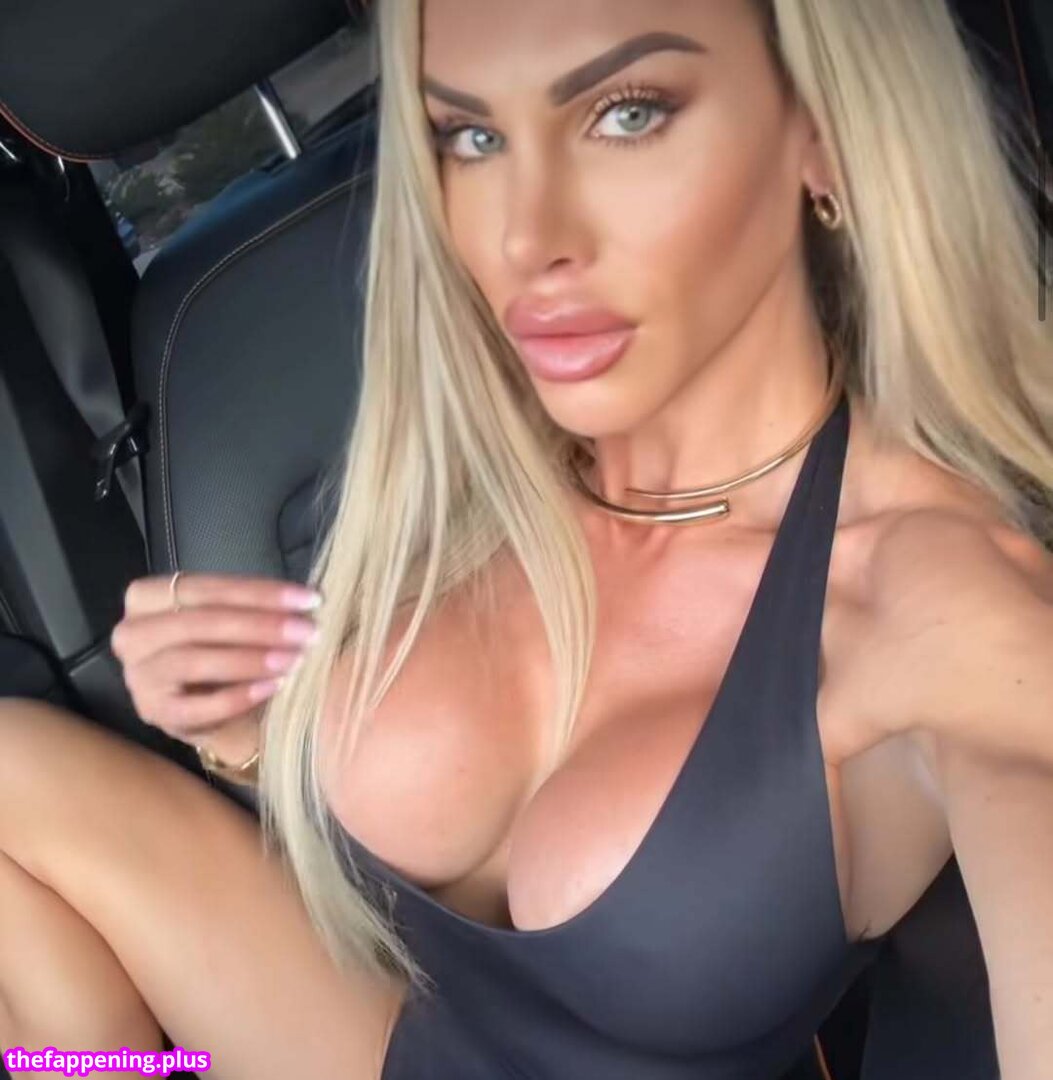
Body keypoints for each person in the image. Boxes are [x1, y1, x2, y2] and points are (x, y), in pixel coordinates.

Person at [1, 0, 1051, 1077]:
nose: (522, 237)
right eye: (470, 137)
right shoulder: (468, 457)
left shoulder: (941, 604)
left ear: (819, 133)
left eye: (628, 114)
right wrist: (250, 727)